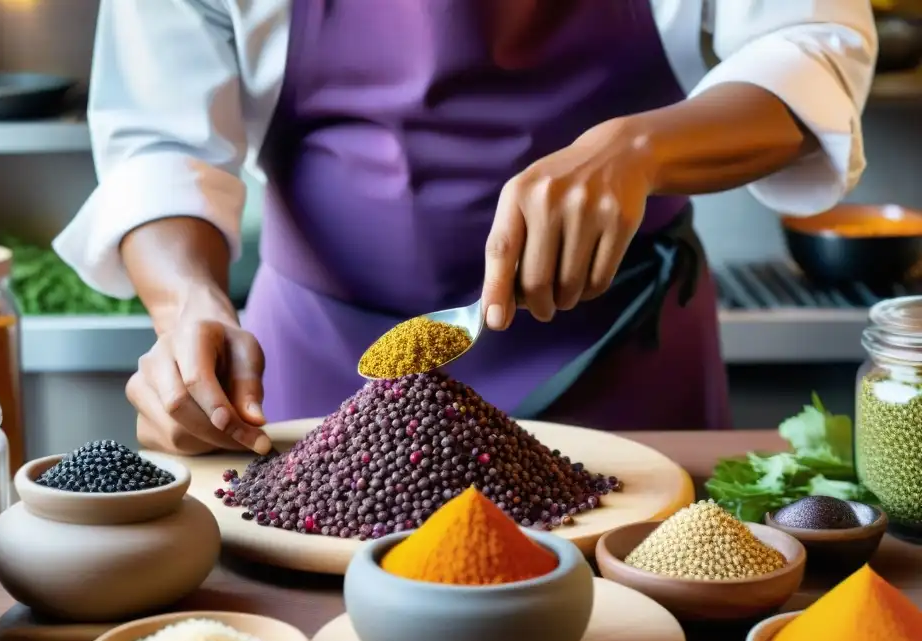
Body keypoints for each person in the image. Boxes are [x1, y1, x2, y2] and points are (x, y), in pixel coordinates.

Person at [55, 0, 877, 456]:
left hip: (623, 372)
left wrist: (640, 145)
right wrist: (190, 307)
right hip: (316, 387)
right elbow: (158, 141)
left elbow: (814, 51)